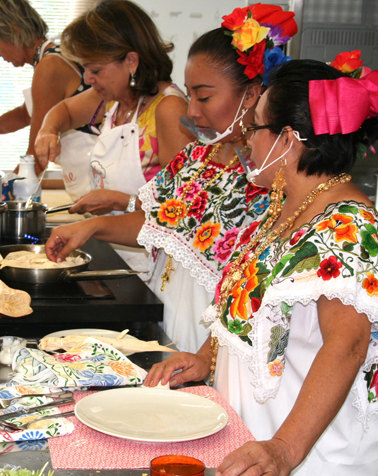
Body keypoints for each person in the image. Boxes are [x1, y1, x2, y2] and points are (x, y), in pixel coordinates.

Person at [145, 56, 378, 476]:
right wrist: (206, 357)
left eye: (256, 128)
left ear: (288, 140)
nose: (247, 140)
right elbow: (255, 303)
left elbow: (346, 345)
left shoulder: (347, 226)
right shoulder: (283, 206)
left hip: (311, 455)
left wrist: (285, 449)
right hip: (258, 437)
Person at [44, 4, 297, 353]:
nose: (191, 110)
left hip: (214, 339)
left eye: (203, 97)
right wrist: (90, 227)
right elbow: (156, 224)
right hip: (167, 315)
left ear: (251, 94)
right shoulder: (196, 157)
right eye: (190, 94)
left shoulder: (266, 179)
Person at [34, 0, 194, 213]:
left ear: (131, 61)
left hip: (147, 246)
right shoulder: (111, 97)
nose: (88, 78)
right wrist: (48, 130)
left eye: (96, 70)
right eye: (85, 69)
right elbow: (65, 111)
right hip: (110, 236)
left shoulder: (169, 109)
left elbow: (181, 207)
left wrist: (119, 201)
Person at [0, 0, 89, 176]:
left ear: (13, 31)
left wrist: (4, 193)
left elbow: (36, 158)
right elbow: (25, 115)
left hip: (94, 175)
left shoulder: (49, 67)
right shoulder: (53, 55)